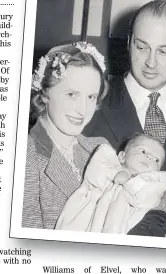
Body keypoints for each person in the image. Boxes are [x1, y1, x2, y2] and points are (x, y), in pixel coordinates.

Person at [83, 0, 166, 210]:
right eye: (142, 47)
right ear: (129, 42)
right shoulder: (94, 98)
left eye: (164, 51)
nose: (151, 62)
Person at [22, 41, 109, 229]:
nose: (83, 110)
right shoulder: (24, 157)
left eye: (91, 97)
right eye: (72, 94)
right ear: (45, 92)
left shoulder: (99, 148)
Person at [56, 133, 166, 238]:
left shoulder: (154, 183)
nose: (149, 157)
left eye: (156, 160)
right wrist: (115, 173)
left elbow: (147, 199)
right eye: (143, 151)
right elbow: (94, 172)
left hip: (125, 222)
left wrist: (131, 183)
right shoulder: (108, 161)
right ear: (122, 156)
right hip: (91, 212)